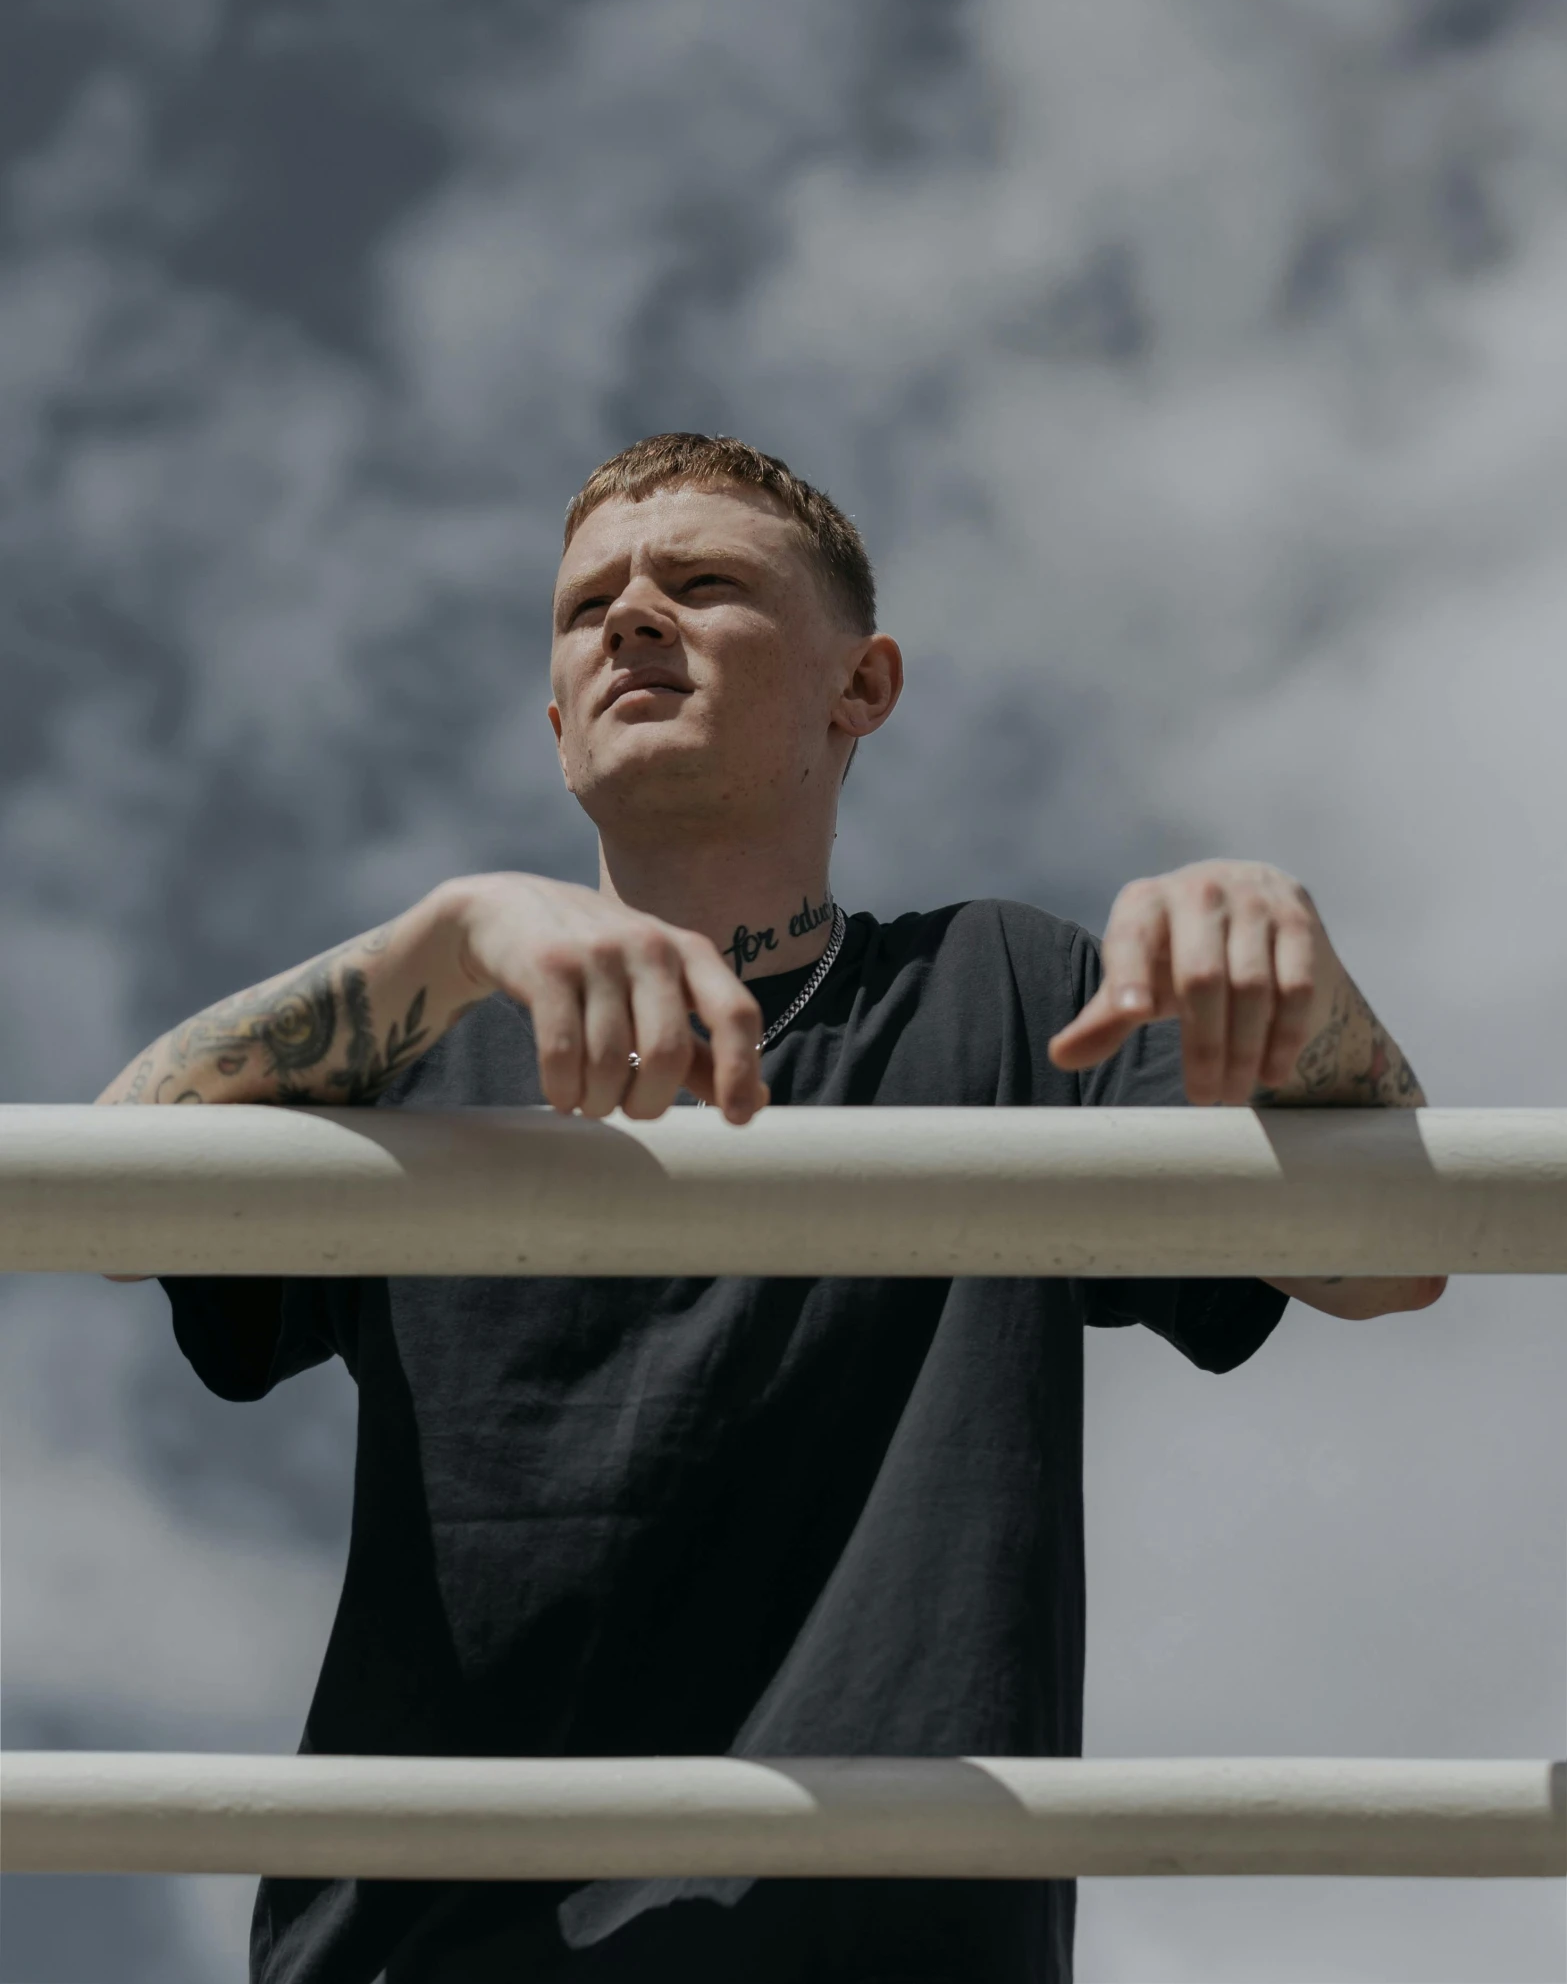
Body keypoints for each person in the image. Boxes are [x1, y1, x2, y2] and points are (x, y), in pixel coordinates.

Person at [101, 434, 1441, 1984]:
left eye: (705, 581)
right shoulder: (426, 1042)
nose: (631, 616)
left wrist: (1302, 984)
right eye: (588, 600)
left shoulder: (1010, 992)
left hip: (880, 1944)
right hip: (418, 1954)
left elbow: (1390, 1263)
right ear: (554, 724)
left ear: (858, 687)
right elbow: (117, 1202)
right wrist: (452, 928)